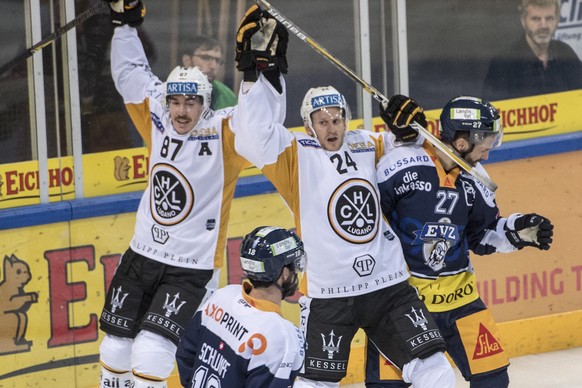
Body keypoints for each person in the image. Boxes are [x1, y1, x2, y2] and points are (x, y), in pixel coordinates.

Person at [231, 5, 456, 388]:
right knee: (315, 383)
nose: (330, 127)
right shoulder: (294, 154)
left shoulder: (368, 143)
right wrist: (256, 76)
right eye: (321, 121)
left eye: (336, 118)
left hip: (388, 285)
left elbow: (433, 155)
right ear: (308, 124)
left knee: (435, 370)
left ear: (346, 118)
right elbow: (252, 137)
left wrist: (410, 126)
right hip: (331, 293)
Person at [97, 1, 250, 387]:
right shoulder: (158, 118)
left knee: (152, 349)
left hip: (193, 265)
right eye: (176, 101)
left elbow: (260, 120)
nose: (182, 111)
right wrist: (124, 25)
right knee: (115, 347)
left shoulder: (225, 133)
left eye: (191, 103)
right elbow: (131, 74)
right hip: (142, 252)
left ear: (206, 103)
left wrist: (260, 70)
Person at [365, 95, 554, 387]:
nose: (487, 154)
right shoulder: (400, 163)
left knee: (493, 381)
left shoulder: (476, 179)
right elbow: (369, 221)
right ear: (464, 141)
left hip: (460, 300)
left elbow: (482, 235)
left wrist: (515, 231)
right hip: (404, 303)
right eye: (485, 144)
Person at [176, 226, 306, 387]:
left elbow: (185, 355)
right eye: (295, 267)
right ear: (285, 273)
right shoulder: (282, 336)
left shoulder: (222, 296)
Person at [482, 0, 582, 101]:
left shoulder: (566, 53)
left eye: (549, 18)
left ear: (557, 20)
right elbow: (492, 111)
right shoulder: (504, 63)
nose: (543, 26)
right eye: (536, 19)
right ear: (523, 21)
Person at [181, 34, 237, 110]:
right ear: (187, 60)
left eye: (217, 60)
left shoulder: (227, 96)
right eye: (206, 58)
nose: (213, 66)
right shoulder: (168, 90)